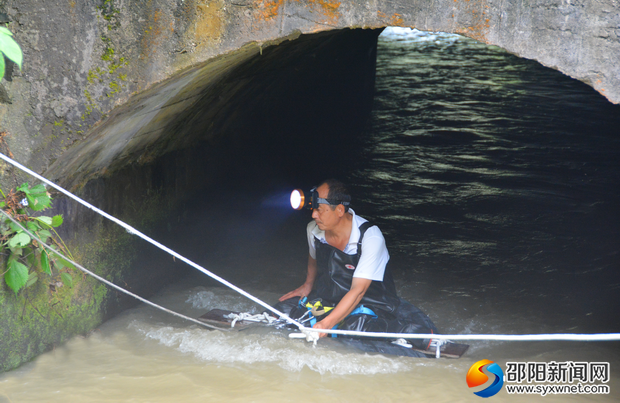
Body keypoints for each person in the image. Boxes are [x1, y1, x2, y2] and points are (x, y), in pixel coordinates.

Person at [276, 179, 439, 352]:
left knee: (354, 327)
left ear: (339, 210)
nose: (314, 215)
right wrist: (307, 285)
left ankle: (411, 334)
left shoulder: (370, 236)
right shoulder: (314, 230)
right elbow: (313, 259)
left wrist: (326, 324)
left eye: (319, 210)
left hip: (372, 302)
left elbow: (358, 291)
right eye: (313, 210)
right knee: (282, 310)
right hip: (330, 297)